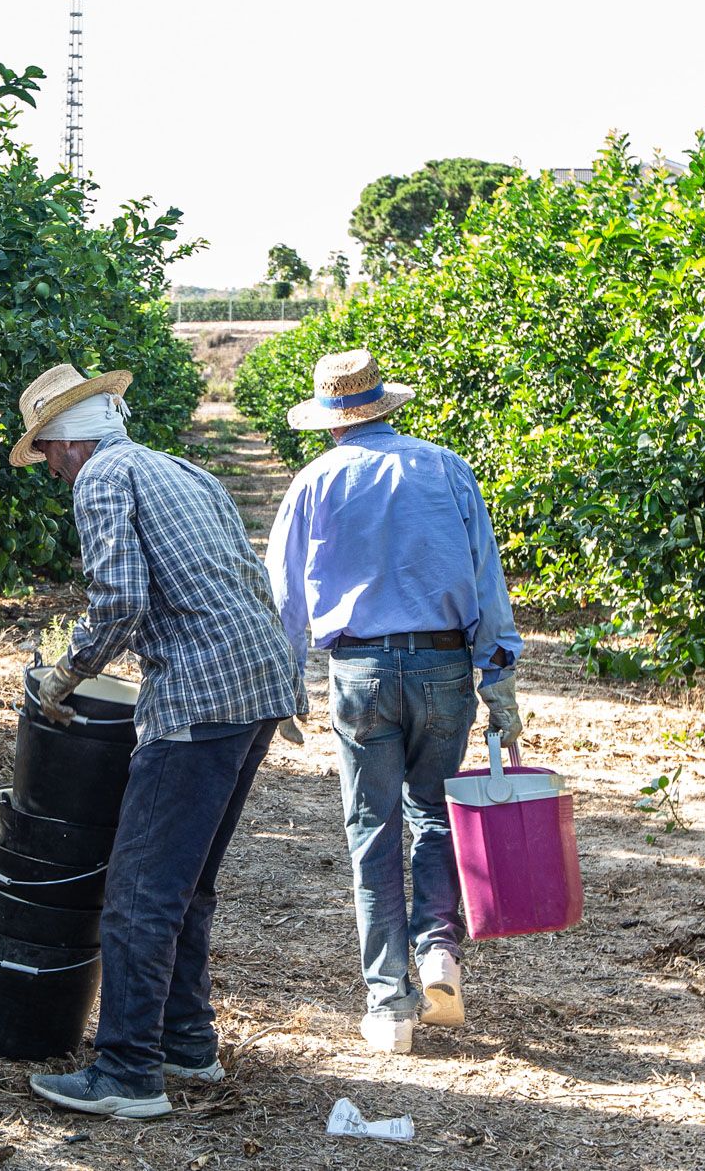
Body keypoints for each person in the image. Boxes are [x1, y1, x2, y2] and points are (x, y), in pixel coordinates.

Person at [8, 363, 303, 1120]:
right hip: (258, 684)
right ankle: (186, 1041)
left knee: (139, 889)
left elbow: (120, 601)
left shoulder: (100, 477)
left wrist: (64, 676)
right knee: (186, 881)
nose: (48, 466)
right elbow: (244, 575)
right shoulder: (181, 469)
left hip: (199, 699)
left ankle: (128, 1071)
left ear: (65, 441)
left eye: (45, 452)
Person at [265, 349, 524, 1054]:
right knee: (435, 816)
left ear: (329, 421)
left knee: (371, 828)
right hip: (444, 665)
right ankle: (439, 951)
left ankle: (388, 1006)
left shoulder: (313, 481)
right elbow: (485, 576)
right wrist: (497, 675)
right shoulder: (445, 466)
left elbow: (284, 596)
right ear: (386, 405)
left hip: (361, 670)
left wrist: (286, 682)